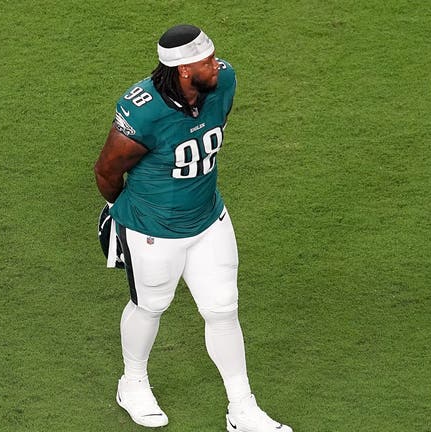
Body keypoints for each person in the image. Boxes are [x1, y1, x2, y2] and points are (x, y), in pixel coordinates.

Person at [93, 24, 292, 432]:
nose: (216, 65)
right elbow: (107, 171)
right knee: (150, 306)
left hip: (208, 220)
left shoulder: (224, 81)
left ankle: (242, 408)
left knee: (223, 309)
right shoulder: (144, 111)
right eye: (205, 61)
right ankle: (132, 383)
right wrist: (120, 211)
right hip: (153, 230)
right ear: (183, 70)